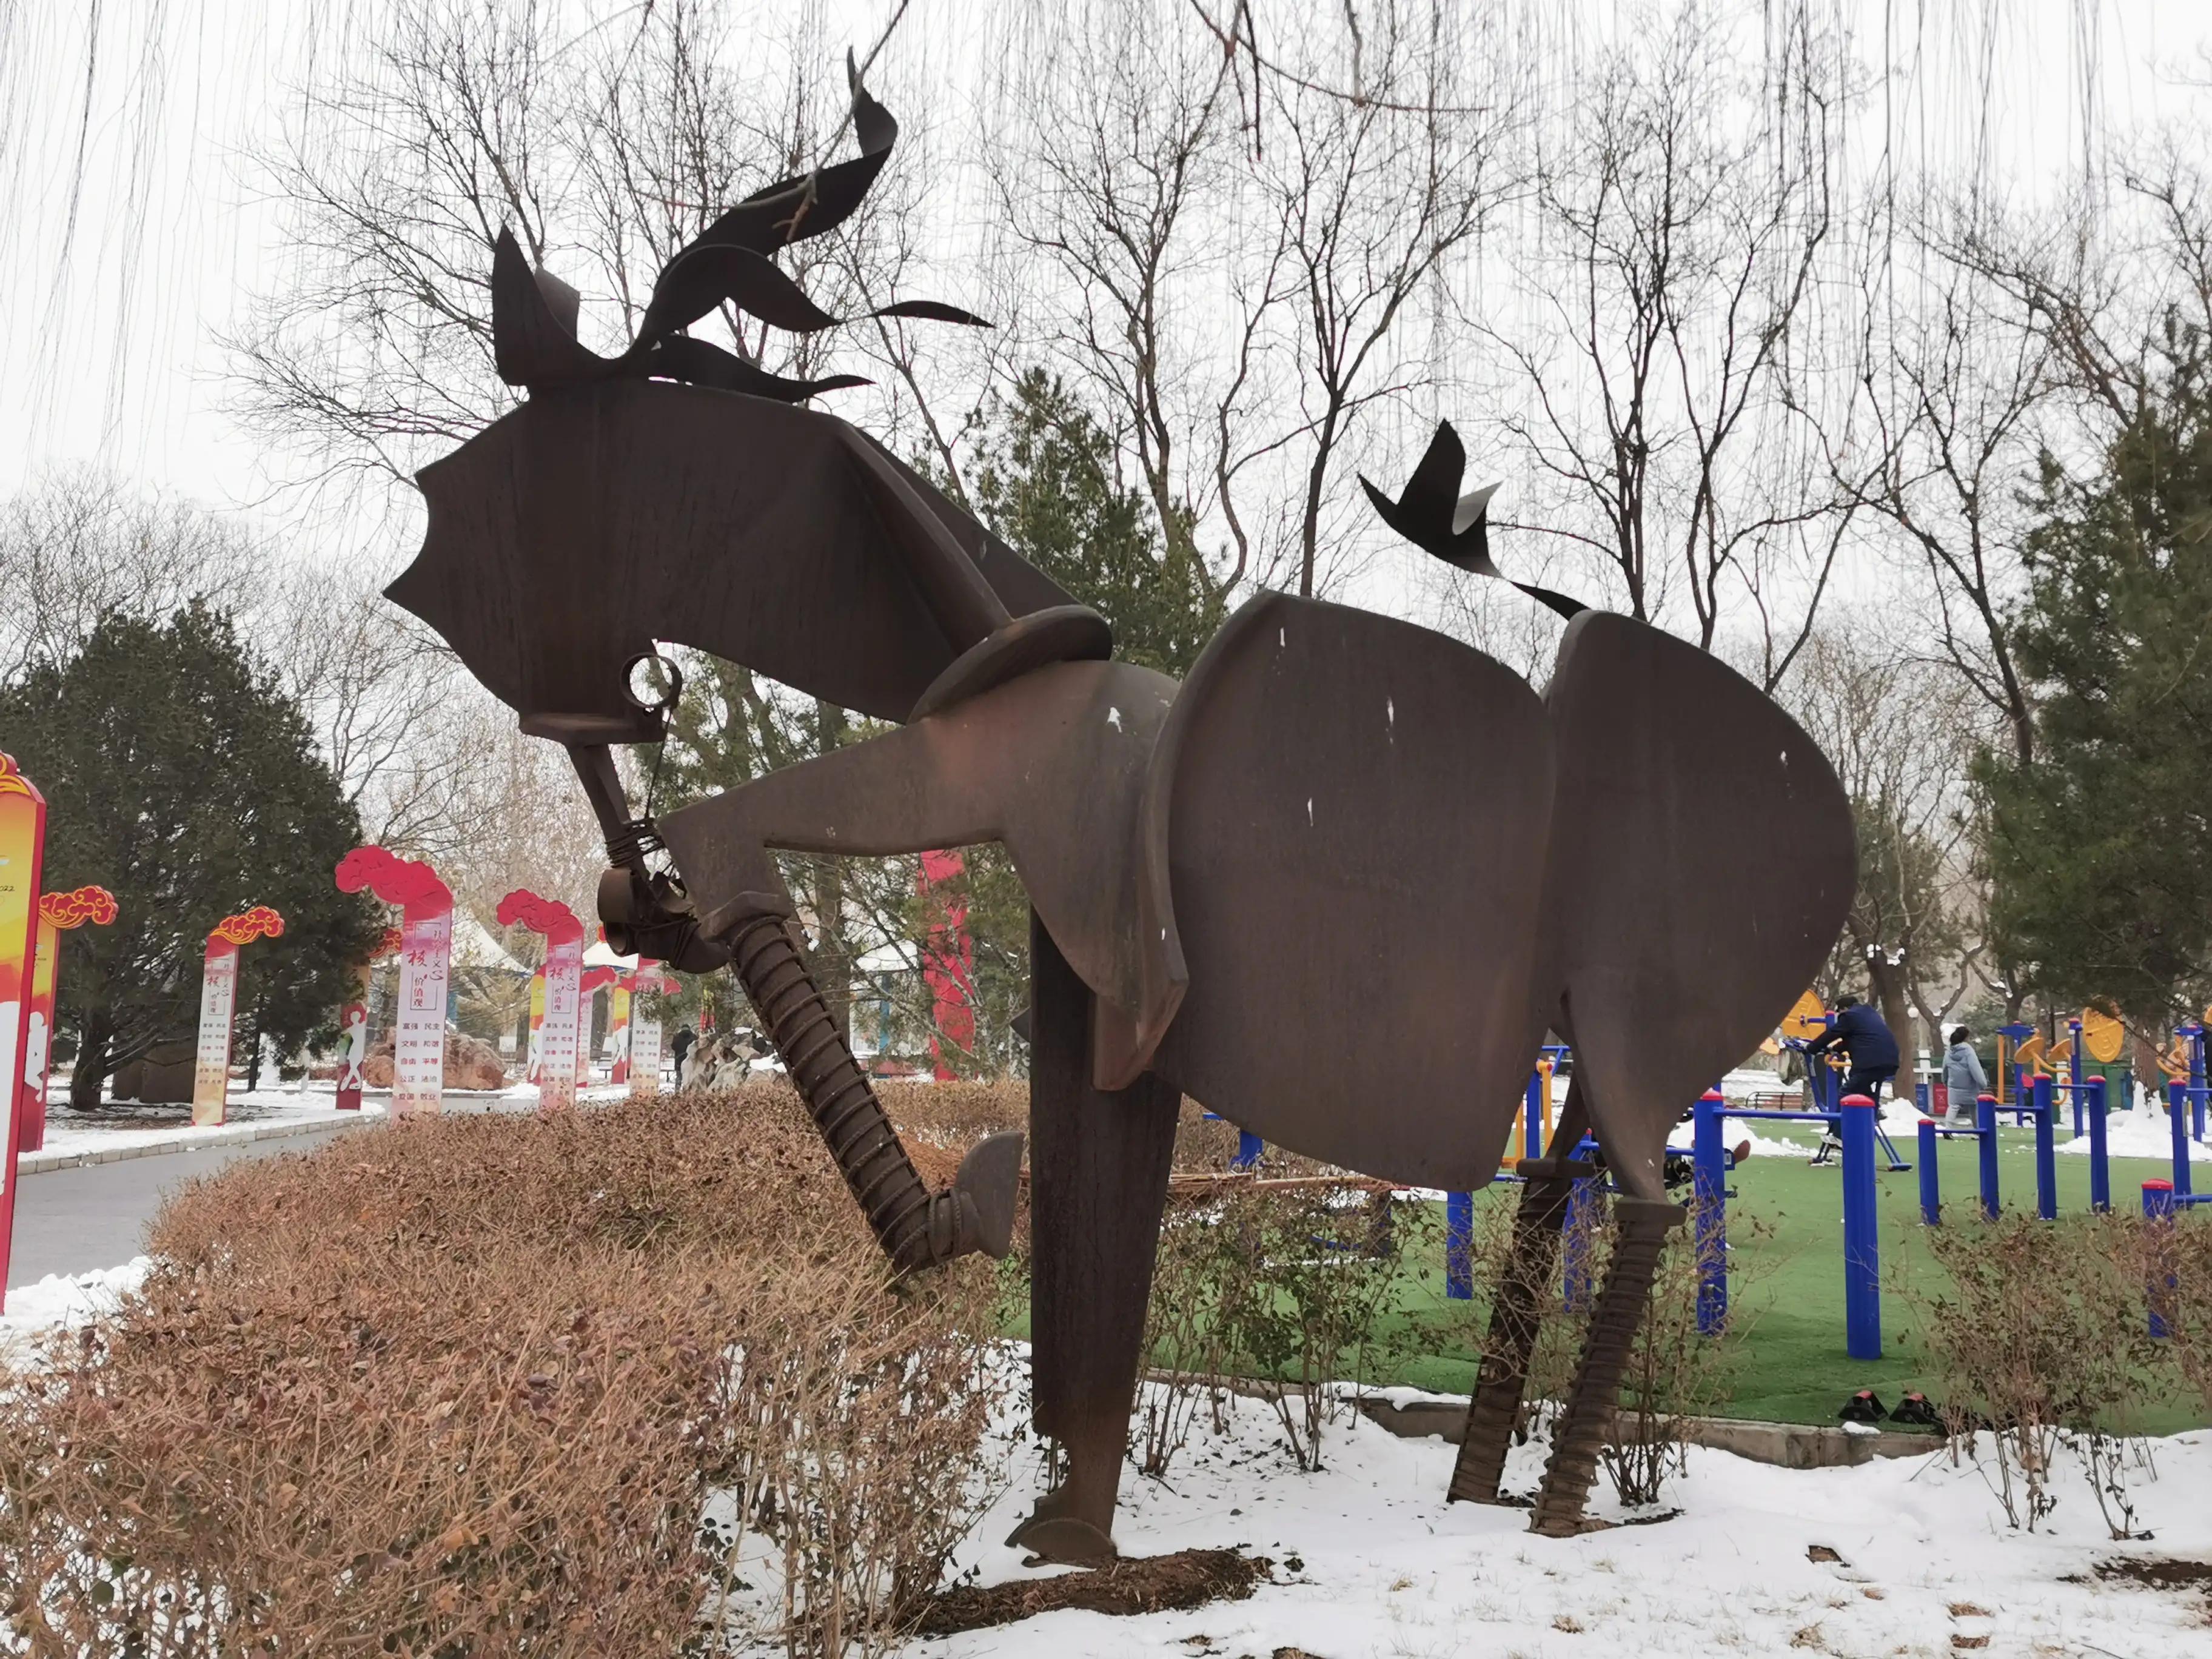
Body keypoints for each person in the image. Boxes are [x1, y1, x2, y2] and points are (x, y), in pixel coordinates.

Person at [1803, 994, 1899, 1165]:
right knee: (1860, 1090)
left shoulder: (1850, 1016)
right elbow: (1855, 1039)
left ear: (1844, 1009)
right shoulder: (1869, 1015)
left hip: (1870, 1062)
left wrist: (1812, 1048)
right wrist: (1833, 1049)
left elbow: (1833, 1033)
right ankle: (1875, 1109)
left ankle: (1840, 1137)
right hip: (1888, 1061)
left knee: (1846, 1093)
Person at [1945, 1025, 1988, 1121]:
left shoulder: (1948, 1052)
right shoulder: (1969, 1051)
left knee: (1953, 1107)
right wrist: (1983, 1083)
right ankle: (1977, 1128)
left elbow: (1945, 1069)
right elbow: (1975, 1069)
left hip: (1954, 1088)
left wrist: (1945, 1082)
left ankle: (1948, 1127)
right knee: (1974, 1108)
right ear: (1966, 1038)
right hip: (1970, 1087)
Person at [669, 1020, 696, 1085]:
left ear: (682, 1029)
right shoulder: (694, 1037)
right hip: (691, 1060)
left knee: (679, 1077)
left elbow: (673, 1047)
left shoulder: (677, 1037)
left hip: (679, 1060)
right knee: (690, 1077)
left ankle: (677, 1089)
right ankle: (689, 1090)